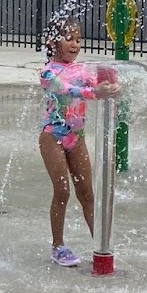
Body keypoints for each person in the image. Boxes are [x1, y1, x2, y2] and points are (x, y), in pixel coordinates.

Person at [38, 20, 120, 268]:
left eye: (78, 39)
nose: (75, 44)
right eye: (69, 38)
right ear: (53, 42)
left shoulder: (83, 71)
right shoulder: (48, 73)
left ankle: (102, 244)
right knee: (62, 191)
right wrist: (94, 93)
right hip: (53, 135)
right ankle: (58, 246)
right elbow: (67, 91)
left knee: (87, 194)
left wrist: (112, 88)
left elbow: (95, 86)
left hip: (77, 138)